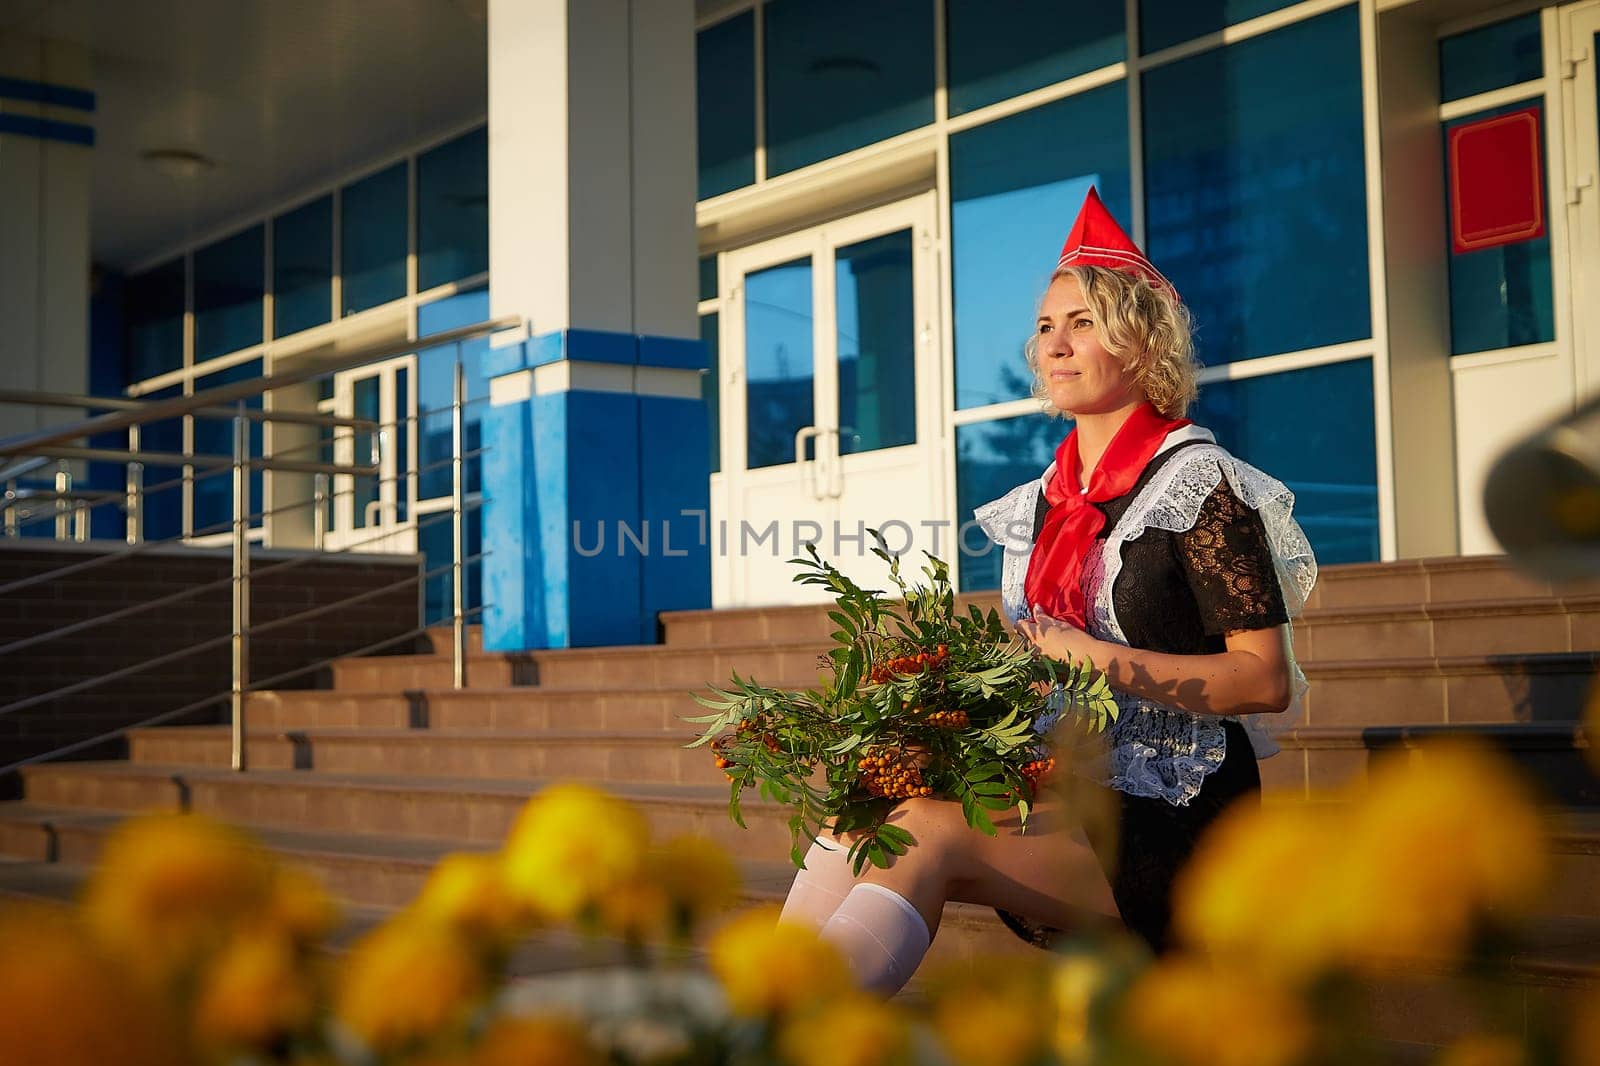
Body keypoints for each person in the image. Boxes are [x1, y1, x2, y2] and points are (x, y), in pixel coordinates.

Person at [776, 187, 1317, 994]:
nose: (1055, 345)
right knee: (861, 809)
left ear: (1143, 345)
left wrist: (1098, 659)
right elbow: (1038, 669)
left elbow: (1264, 680)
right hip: (1071, 789)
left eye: (1084, 323)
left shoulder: (1201, 486)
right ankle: (763, 1005)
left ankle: (778, 1033)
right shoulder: (1040, 503)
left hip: (1176, 822)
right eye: (1044, 326)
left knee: (922, 834)